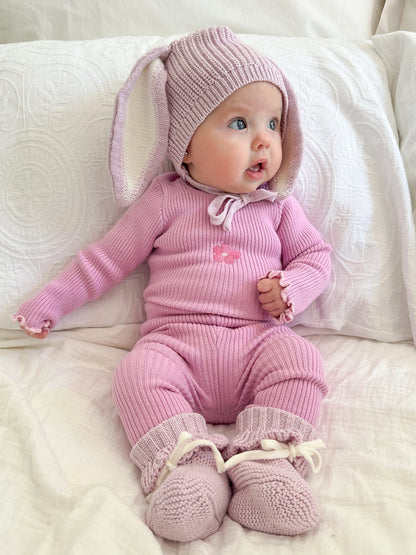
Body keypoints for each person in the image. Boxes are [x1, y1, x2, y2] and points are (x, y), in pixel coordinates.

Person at [13, 27, 332, 542]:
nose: (264, 140)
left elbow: (316, 257)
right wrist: (50, 301)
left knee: (301, 361)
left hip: (258, 343)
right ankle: (187, 467)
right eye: (239, 123)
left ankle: (268, 461)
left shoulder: (278, 208)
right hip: (176, 347)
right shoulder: (165, 200)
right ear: (184, 147)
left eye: (273, 124)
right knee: (136, 373)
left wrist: (293, 286)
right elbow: (105, 261)